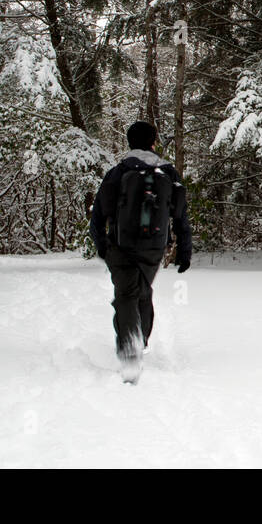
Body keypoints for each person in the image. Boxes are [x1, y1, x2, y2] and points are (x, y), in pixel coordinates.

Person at [89, 121, 192, 382]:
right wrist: (184, 249)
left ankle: (129, 347)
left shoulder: (118, 172)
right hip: (154, 247)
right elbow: (180, 215)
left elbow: (99, 212)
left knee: (125, 295)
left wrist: (101, 244)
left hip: (121, 245)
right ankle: (141, 339)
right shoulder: (168, 173)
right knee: (143, 291)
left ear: (129, 143)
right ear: (153, 142)